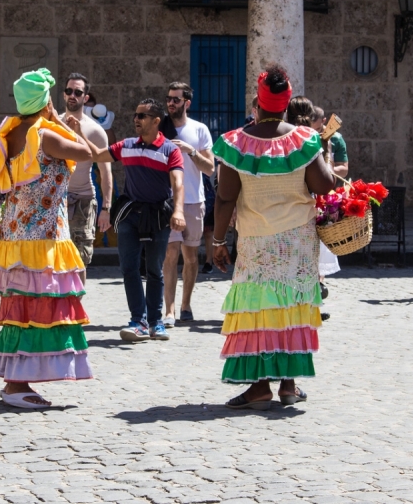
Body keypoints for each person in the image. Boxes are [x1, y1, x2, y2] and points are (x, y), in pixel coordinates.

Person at [211, 64, 335, 409]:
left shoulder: (236, 143)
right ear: (286, 102)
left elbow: (225, 198)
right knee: (292, 306)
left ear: (258, 100)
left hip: (257, 241)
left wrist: (218, 242)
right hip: (297, 241)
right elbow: (324, 185)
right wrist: (320, 151)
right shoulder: (304, 140)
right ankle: (289, 385)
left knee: (260, 308)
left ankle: (260, 385)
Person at [0, 68, 94, 409]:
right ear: (45, 102)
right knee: (36, 310)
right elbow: (87, 153)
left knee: (22, 310)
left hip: (18, 236)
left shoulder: (10, 132)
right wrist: (65, 125)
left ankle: (17, 379)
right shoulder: (46, 135)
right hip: (42, 238)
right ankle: (17, 384)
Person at [77, 98, 186, 343]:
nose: (136, 119)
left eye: (142, 116)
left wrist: (178, 212)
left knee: (154, 270)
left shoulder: (170, 150)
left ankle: (156, 322)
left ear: (156, 121)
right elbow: (97, 155)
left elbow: (178, 183)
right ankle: (138, 321)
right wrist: (79, 133)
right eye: (135, 115)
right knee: (129, 269)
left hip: (158, 216)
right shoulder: (126, 145)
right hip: (129, 215)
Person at [161, 82, 214, 327]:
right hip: (167, 201)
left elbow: (210, 168)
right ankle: (169, 310)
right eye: (169, 99)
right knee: (170, 253)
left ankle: (186, 305)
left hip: (193, 201)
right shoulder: (160, 127)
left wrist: (191, 151)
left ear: (187, 103)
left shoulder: (200, 130)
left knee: (190, 256)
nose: (171, 103)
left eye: (176, 99)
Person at [59, 73, 112, 282]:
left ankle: (77, 302)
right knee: (53, 258)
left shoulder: (95, 130)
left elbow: (105, 171)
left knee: (79, 259)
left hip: (82, 201)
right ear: (64, 95)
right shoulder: (52, 124)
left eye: (78, 92)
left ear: (85, 97)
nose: (73, 95)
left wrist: (106, 208)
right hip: (53, 200)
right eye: (69, 91)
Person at [308, 102, 349, 321]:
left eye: (317, 127)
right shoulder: (305, 137)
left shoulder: (336, 139)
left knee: (322, 248)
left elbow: (344, 168)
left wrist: (326, 166)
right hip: (308, 197)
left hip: (326, 196)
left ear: (324, 122)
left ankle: (317, 297)